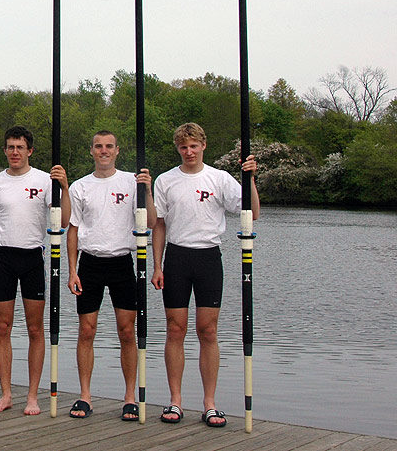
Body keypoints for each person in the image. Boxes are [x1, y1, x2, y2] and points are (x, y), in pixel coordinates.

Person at [151, 122, 259, 428]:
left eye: (193, 146)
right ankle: (175, 401)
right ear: (178, 149)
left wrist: (249, 178)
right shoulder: (166, 180)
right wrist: (157, 265)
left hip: (208, 257)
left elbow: (252, 211)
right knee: (175, 329)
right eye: (183, 147)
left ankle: (210, 403)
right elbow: (158, 225)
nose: (188, 152)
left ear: (203, 146)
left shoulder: (219, 178)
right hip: (177, 257)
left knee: (208, 330)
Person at [66, 130, 156, 421]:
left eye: (108, 147)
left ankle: (129, 397)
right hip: (90, 264)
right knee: (86, 331)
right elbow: (73, 230)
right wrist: (71, 271)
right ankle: (85, 396)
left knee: (127, 331)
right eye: (98, 147)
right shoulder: (80, 187)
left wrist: (149, 191)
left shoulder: (132, 182)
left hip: (122, 263)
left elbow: (152, 222)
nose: (103, 151)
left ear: (117, 150)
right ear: (91, 151)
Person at [0, 126, 70, 416]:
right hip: (2, 259)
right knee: (3, 328)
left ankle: (32, 396)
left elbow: (63, 221)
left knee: (34, 329)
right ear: (5, 150)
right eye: (10, 147)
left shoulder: (45, 180)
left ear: (30, 150)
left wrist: (65, 188)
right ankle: (6, 394)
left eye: (20, 147)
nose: (14, 152)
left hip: (32, 258)